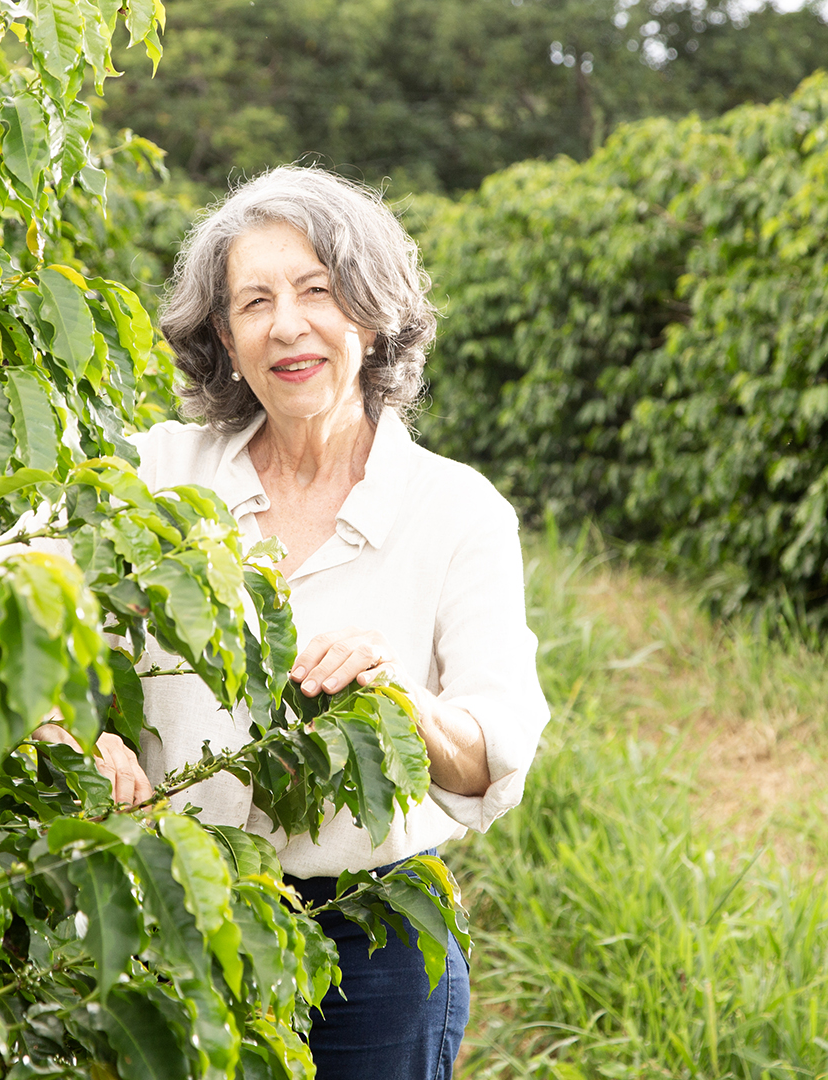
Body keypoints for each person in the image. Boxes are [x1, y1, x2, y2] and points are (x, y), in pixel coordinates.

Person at [49, 165, 550, 1079]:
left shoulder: (458, 511)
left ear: (370, 311)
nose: (287, 324)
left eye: (317, 290)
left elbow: (496, 749)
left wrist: (401, 699)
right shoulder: (157, 473)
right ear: (224, 338)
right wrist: (63, 731)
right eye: (254, 301)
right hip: (173, 910)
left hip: (374, 946)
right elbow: (0, 593)